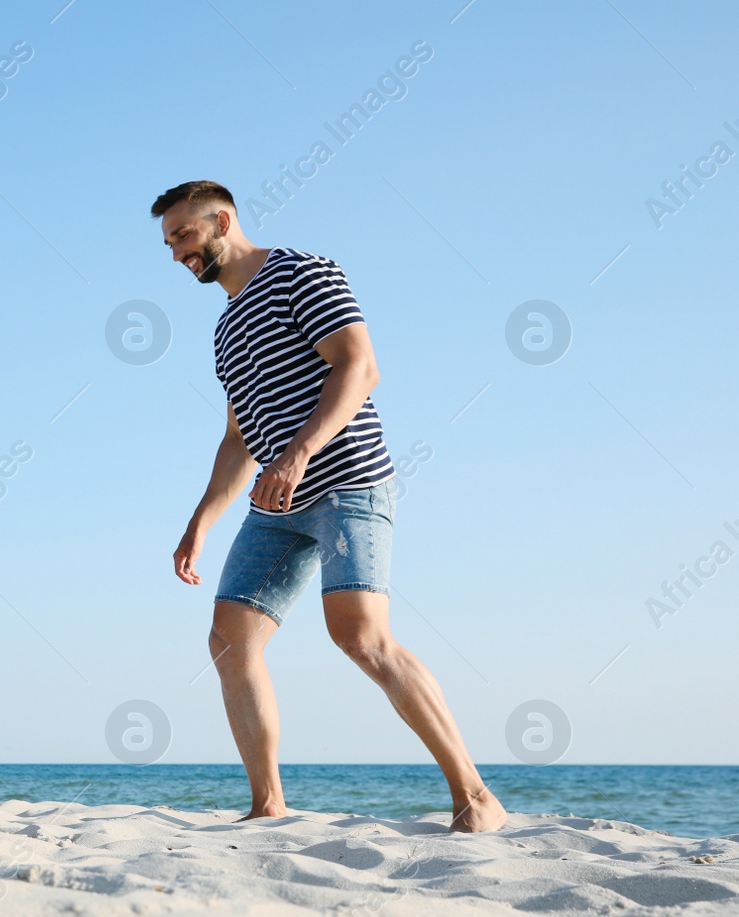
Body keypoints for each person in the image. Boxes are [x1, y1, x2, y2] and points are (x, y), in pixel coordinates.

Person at [154, 180, 506, 833]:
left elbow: (360, 366)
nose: (175, 252)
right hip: (276, 502)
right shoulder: (227, 327)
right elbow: (238, 439)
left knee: (360, 635)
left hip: (346, 479)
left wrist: (298, 452)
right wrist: (200, 520)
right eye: (169, 241)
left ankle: (476, 796)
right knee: (230, 639)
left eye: (183, 235)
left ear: (222, 221)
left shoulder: (301, 273)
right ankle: (268, 805)